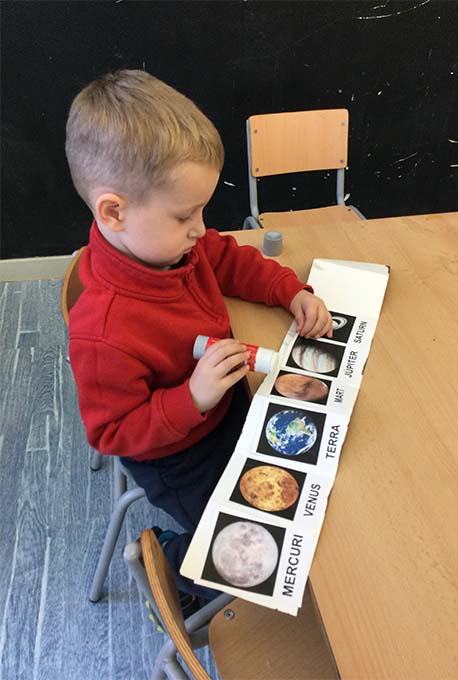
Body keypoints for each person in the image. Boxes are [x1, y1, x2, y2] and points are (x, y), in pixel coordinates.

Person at [65, 69, 332, 599]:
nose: (201, 228)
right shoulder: (104, 331)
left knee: (316, 481)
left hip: (223, 405)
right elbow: (113, 433)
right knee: (256, 556)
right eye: (186, 214)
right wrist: (190, 399)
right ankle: (168, 562)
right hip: (177, 454)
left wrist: (288, 291)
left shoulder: (172, 245)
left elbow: (227, 259)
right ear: (114, 212)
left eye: (202, 210)